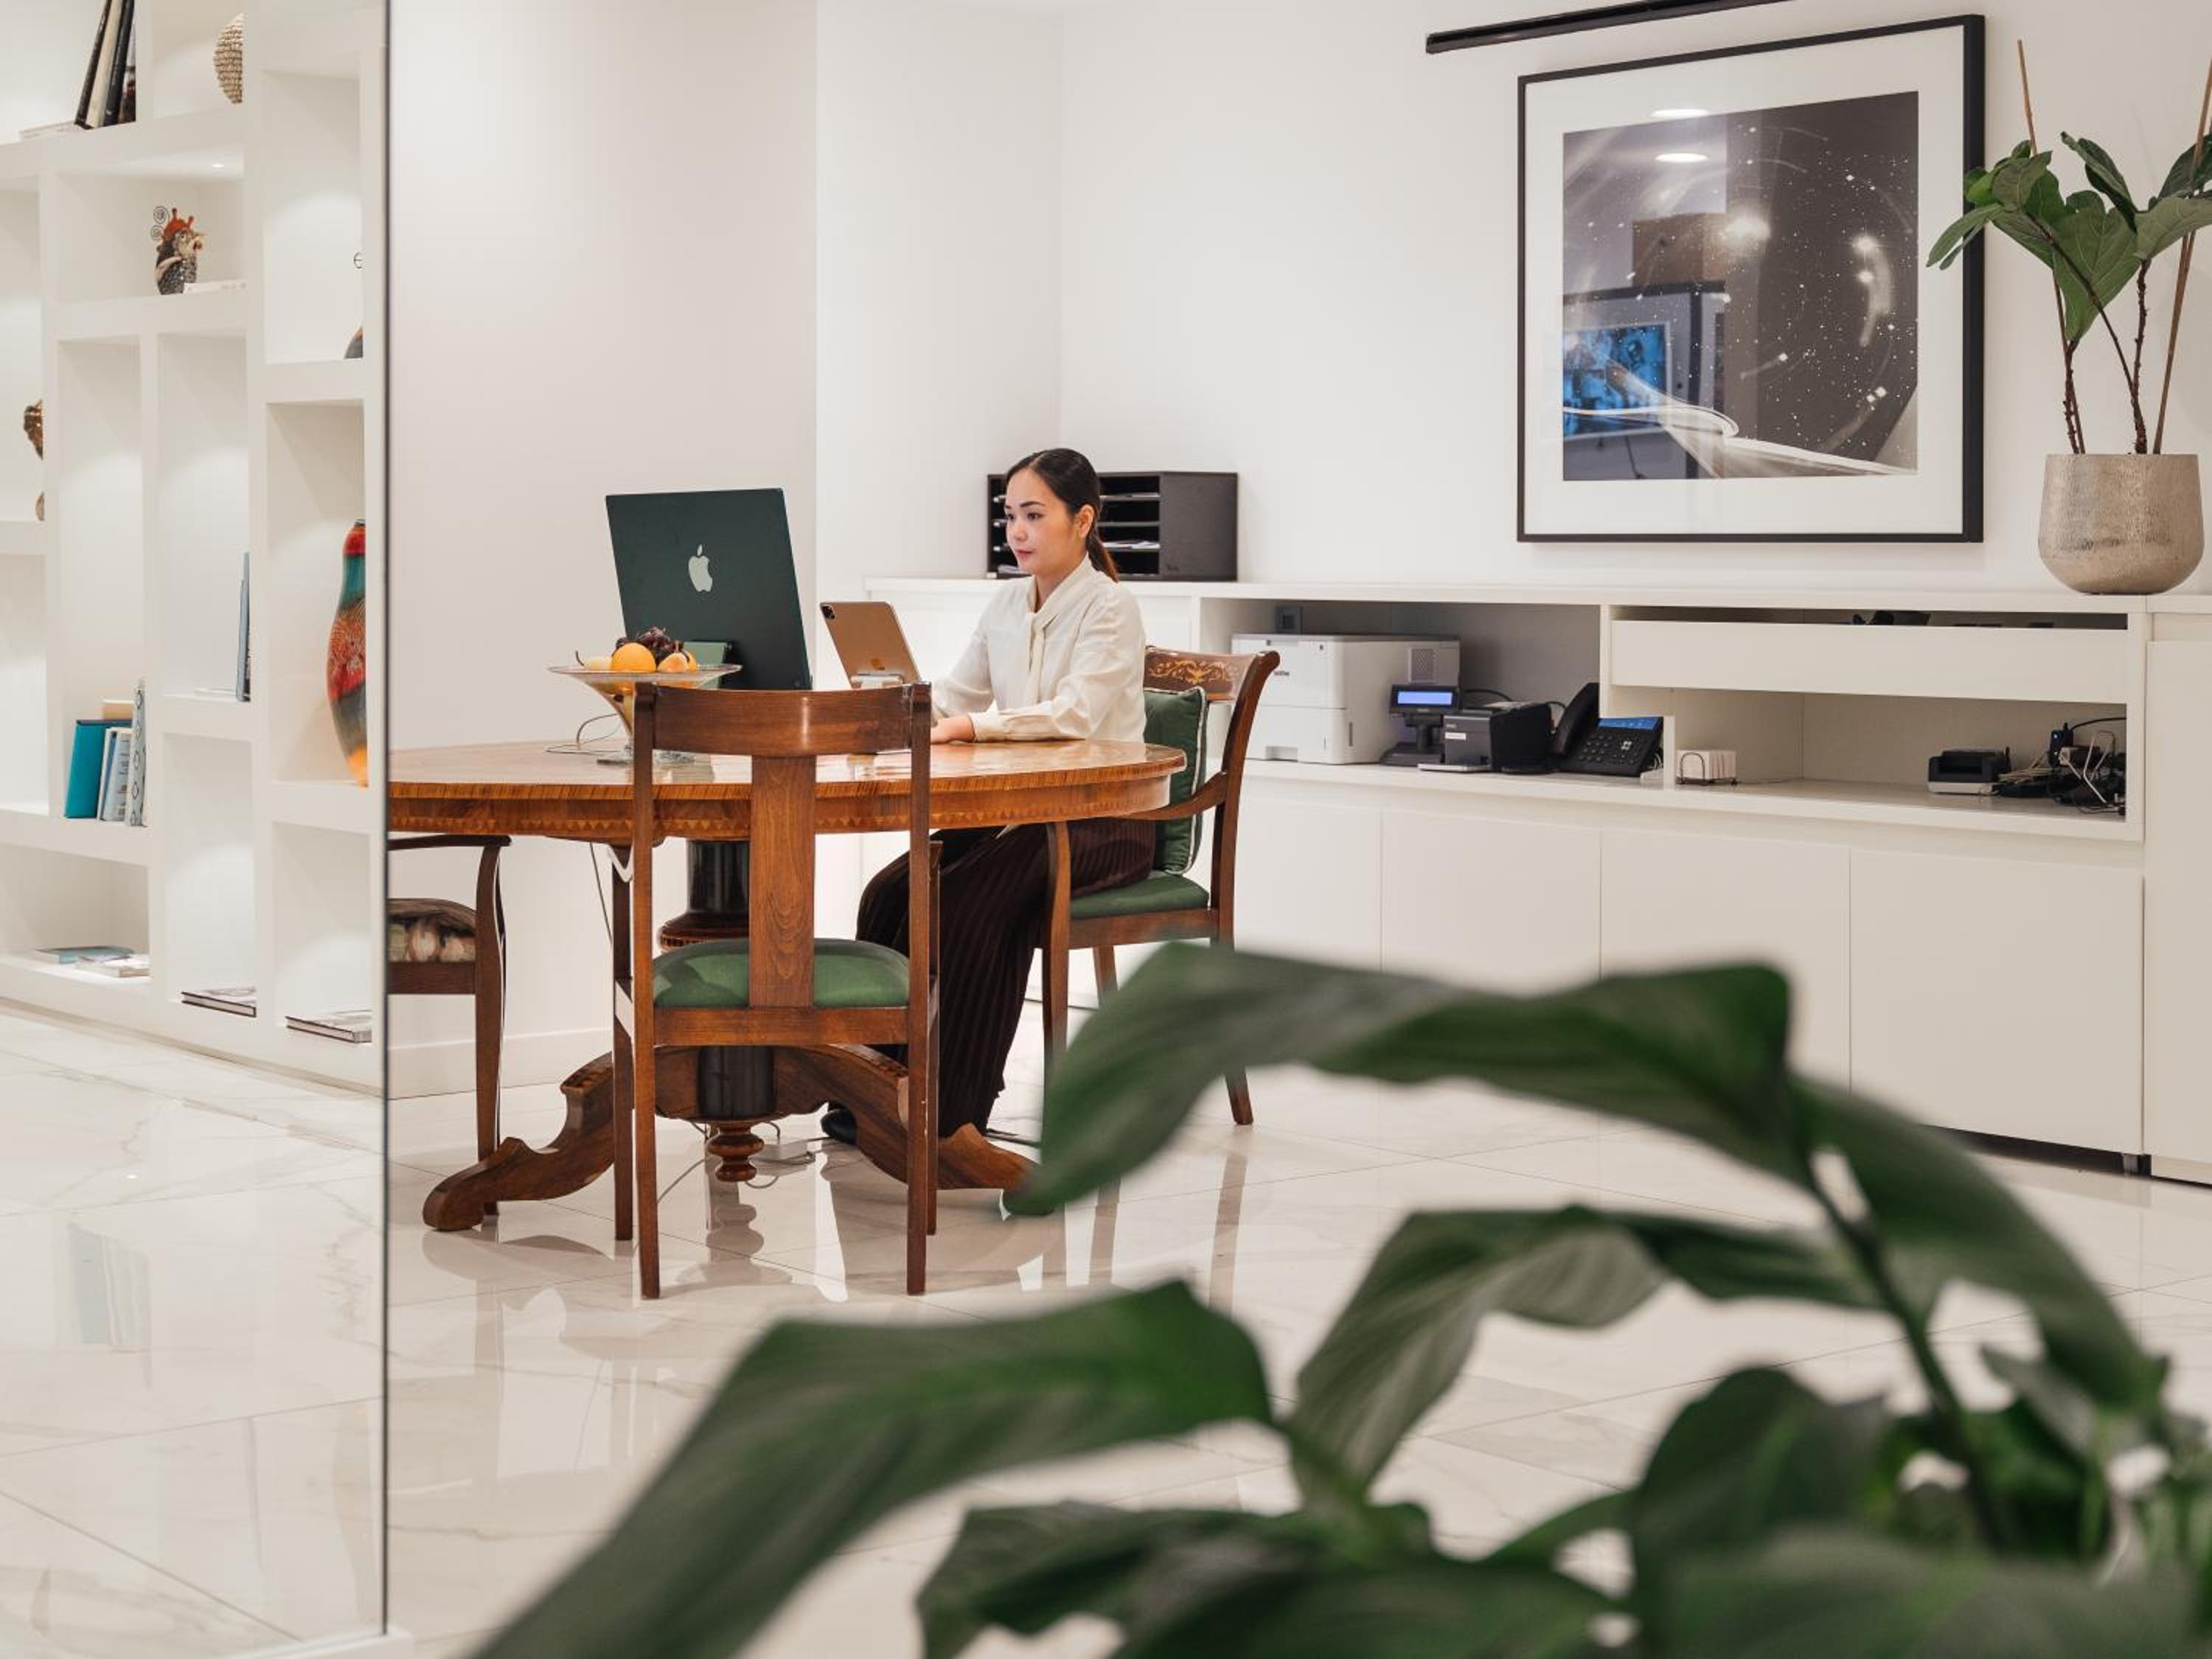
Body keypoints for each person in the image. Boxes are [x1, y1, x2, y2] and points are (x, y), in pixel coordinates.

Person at [838, 448, 1152, 1145]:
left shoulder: (1111, 607)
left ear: (1083, 520)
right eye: (1010, 516)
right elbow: (958, 693)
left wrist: (973, 728)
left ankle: (952, 1114)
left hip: (1105, 821)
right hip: (1022, 817)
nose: (1017, 531)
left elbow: (1075, 714)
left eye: (1034, 515)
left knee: (968, 903)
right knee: (890, 895)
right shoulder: (1008, 602)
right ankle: (867, 1096)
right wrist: (889, 710)